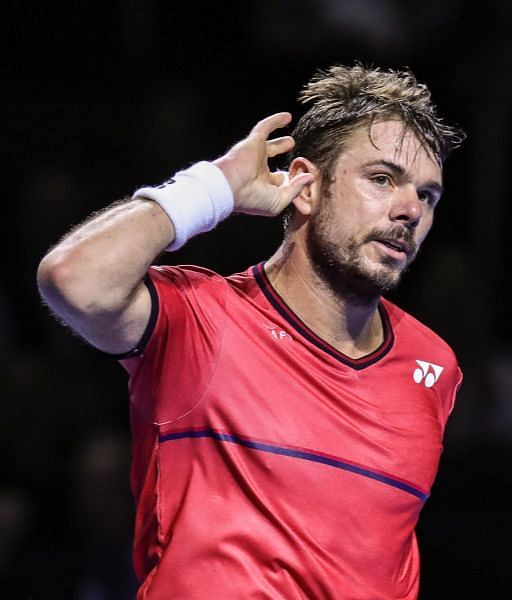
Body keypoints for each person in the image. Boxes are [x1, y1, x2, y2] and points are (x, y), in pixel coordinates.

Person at [37, 64, 464, 598]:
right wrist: (213, 187)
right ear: (306, 187)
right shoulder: (201, 318)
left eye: (428, 196)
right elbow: (74, 279)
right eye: (382, 179)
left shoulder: (435, 365)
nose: (409, 211)